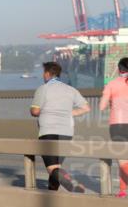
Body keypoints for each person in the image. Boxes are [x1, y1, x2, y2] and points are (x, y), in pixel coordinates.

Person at [30, 61, 90, 192]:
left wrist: (41, 111)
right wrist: (69, 113)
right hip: (66, 132)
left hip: (48, 131)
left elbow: (35, 111)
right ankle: (53, 192)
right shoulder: (70, 89)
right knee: (56, 166)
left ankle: (72, 183)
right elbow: (86, 108)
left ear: (47, 74)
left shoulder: (43, 89)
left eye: (43, 73)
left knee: (52, 168)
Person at [99, 56, 128, 198]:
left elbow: (102, 106)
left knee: (122, 159)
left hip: (118, 125)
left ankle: (123, 191)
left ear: (119, 69)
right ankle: (122, 191)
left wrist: (111, 100)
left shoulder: (112, 84)